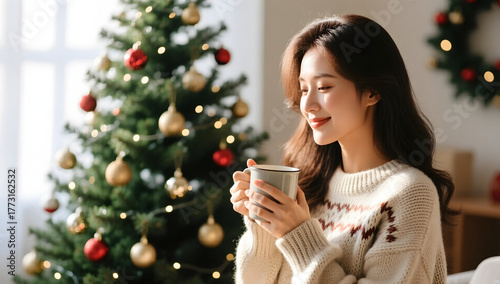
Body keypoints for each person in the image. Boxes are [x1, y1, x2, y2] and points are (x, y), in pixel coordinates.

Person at [229, 14, 455, 283]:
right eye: (303, 89)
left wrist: (298, 234)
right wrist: (266, 223)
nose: (308, 105)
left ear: (372, 91)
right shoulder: (308, 182)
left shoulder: (410, 194)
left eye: (324, 86)